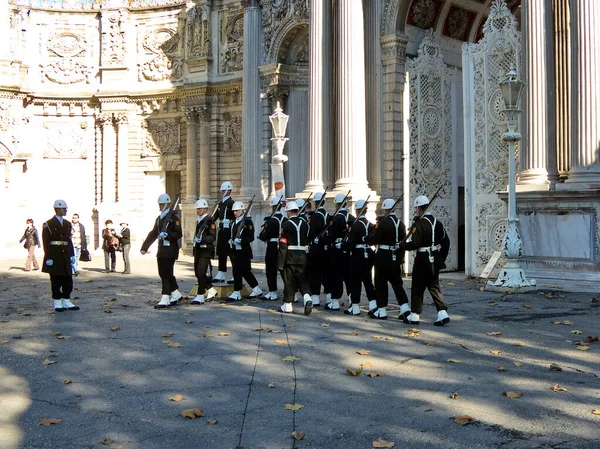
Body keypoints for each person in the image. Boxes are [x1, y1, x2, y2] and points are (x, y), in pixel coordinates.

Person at [401, 195, 451, 326]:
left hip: (422, 259)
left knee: (417, 287)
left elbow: (415, 243)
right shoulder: (437, 223)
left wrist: (403, 245)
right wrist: (440, 258)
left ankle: (414, 315)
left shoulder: (419, 223)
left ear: (419, 208)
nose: (416, 211)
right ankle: (442, 313)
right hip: (434, 259)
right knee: (434, 287)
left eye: (416, 208)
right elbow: (446, 242)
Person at [367, 198, 409, 320]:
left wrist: (367, 239)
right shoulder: (401, 224)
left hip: (382, 258)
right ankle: (404, 308)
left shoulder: (383, 223)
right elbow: (403, 243)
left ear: (385, 209)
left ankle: (381, 310)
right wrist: (401, 258)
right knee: (397, 284)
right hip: (395, 258)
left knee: (381, 283)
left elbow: (375, 239)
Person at [141, 193, 184, 309]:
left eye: (162, 204)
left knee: (166, 273)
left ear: (167, 204)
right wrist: (145, 247)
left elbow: (179, 234)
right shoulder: (159, 219)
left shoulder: (173, 218)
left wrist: (168, 235)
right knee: (164, 272)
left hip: (170, 249)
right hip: (162, 250)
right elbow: (153, 233)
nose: (160, 206)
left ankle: (165, 297)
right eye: (159, 204)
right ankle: (176, 293)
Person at [41, 199, 79, 312]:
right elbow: (46, 242)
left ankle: (66, 299)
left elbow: (69, 240)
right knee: (56, 279)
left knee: (68, 278)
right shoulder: (48, 224)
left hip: (66, 253)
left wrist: (72, 254)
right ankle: (57, 301)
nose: (66, 211)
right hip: (55, 254)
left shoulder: (67, 224)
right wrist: (48, 257)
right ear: (58, 209)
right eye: (64, 209)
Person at [342, 199, 376, 316]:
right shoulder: (370, 224)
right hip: (368, 254)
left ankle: (355, 307)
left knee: (355, 281)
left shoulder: (355, 225)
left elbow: (350, 244)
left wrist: (342, 245)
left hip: (357, 255)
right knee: (367, 281)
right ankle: (373, 305)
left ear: (357, 211)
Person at [278, 201, 312, 315]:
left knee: (289, 280)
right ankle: (307, 298)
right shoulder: (305, 224)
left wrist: (280, 263)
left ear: (289, 212)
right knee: (302, 279)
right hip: (302, 255)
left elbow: (283, 245)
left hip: (290, 256)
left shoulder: (286, 225)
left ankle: (288, 305)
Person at [227, 201, 262, 301]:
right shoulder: (234, 222)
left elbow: (250, 237)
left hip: (244, 251)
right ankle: (256, 288)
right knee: (245, 271)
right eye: (234, 211)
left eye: (237, 211)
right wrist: (231, 240)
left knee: (237, 271)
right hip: (235, 250)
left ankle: (237, 292)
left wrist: (241, 240)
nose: (235, 213)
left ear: (243, 211)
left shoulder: (247, 221)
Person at [325, 193, 354, 311]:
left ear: (337, 204)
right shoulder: (352, 218)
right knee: (348, 277)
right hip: (348, 250)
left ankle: (335, 301)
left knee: (336, 276)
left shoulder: (335, 218)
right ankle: (352, 300)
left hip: (337, 251)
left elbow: (331, 235)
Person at [258, 196, 285, 301]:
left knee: (271, 270)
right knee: (283, 270)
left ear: (273, 207)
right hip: (282, 246)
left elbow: (266, 235)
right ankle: (291, 292)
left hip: (272, 246)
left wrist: (260, 237)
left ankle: (272, 292)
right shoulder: (285, 219)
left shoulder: (271, 220)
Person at [190, 199, 216, 305]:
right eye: (197, 209)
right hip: (198, 250)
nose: (198, 210)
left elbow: (212, 237)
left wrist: (202, 240)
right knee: (197, 272)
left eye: (200, 209)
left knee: (201, 272)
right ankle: (211, 290)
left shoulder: (210, 221)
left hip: (206, 251)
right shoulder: (200, 220)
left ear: (205, 209)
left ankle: (200, 295)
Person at [307, 192, 330, 307]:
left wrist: (309, 241)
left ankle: (315, 297)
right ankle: (329, 297)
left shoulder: (316, 216)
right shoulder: (328, 215)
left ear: (315, 203)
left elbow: (312, 231)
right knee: (326, 272)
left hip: (316, 249)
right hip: (326, 249)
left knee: (314, 273)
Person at [213, 181, 235, 284]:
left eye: (223, 190)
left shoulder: (231, 203)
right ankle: (221, 273)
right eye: (221, 190)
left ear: (228, 191)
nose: (221, 192)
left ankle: (235, 274)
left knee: (231, 253)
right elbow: (215, 216)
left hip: (229, 230)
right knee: (221, 251)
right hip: (221, 229)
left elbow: (235, 217)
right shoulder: (220, 203)